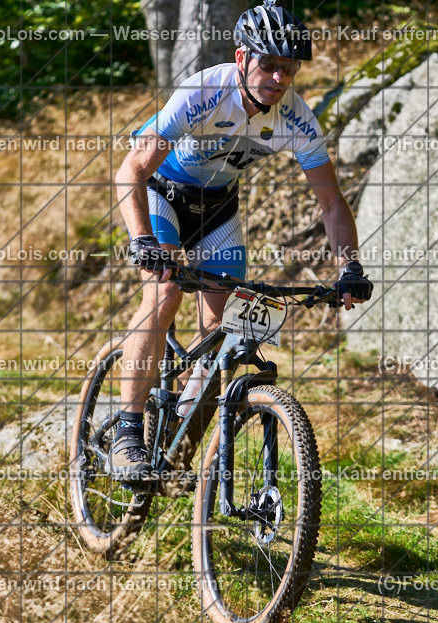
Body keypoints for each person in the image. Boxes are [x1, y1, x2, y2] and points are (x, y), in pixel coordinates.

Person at [110, 0, 372, 481]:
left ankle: (175, 450)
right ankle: (127, 433)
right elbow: (133, 168)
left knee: (221, 331)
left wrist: (349, 268)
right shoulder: (203, 91)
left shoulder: (296, 119)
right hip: (163, 194)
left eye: (288, 69)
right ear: (241, 58)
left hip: (218, 210)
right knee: (164, 292)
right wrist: (142, 239)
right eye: (269, 65)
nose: (279, 78)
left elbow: (332, 203)